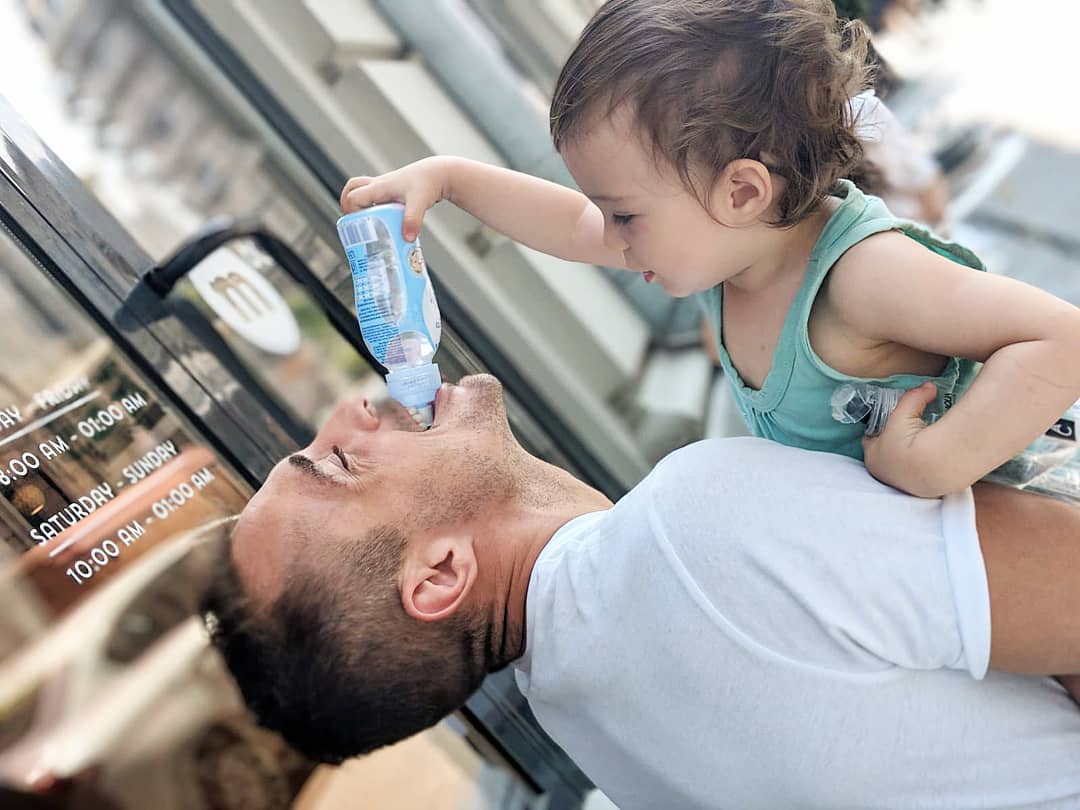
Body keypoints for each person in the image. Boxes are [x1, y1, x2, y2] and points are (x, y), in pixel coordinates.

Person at [204, 377, 1080, 808]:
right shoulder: (697, 529)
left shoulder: (585, 718)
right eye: (340, 464)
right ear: (440, 576)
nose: (354, 410)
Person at [339, 0, 1080, 501]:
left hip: (1039, 505)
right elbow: (566, 225)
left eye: (624, 214)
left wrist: (935, 463)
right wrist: (448, 179)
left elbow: (1059, 338)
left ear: (742, 191)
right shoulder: (726, 252)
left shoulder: (859, 275)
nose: (609, 234)